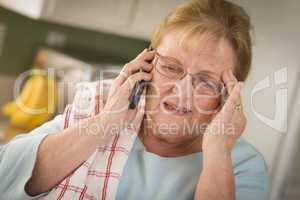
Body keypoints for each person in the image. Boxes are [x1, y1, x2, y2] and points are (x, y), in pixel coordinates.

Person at [0, 0, 269, 199]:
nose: (182, 90)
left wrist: (217, 152)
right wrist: (106, 122)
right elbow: (8, 174)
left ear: (229, 94)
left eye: (207, 81)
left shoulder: (242, 166)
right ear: (148, 64)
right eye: (172, 67)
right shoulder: (99, 104)